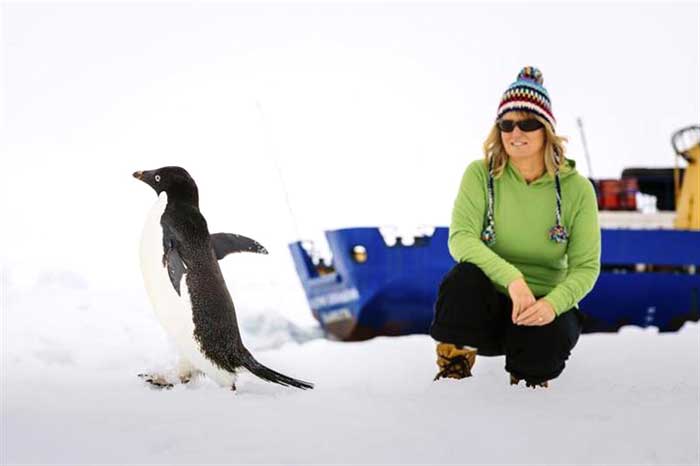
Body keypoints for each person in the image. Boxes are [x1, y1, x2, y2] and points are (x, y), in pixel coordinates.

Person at [429, 66, 601, 388]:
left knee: (543, 346)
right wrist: (513, 280)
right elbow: (461, 239)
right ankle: (454, 367)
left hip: (542, 310)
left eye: (528, 123)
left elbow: (586, 267)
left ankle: (529, 383)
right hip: (489, 310)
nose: (515, 132)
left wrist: (553, 304)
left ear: (546, 129)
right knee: (462, 280)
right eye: (506, 124)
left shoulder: (578, 190)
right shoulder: (480, 175)